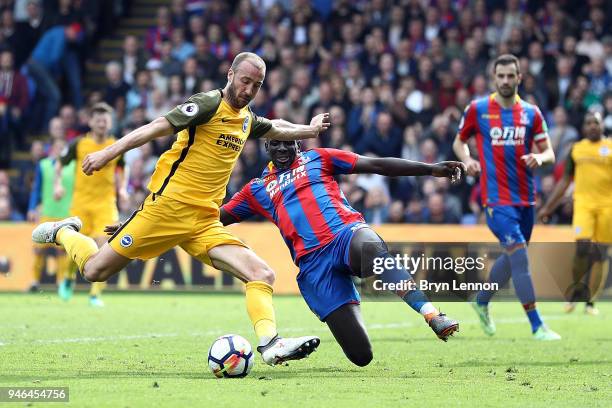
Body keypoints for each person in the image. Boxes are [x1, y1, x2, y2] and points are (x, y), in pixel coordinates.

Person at [32, 52, 326, 365]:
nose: (249, 90)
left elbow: (276, 127)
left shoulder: (246, 120)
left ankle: (271, 344)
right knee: (94, 271)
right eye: (245, 81)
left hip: (204, 220)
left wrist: (308, 131)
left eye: (257, 85)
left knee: (262, 273)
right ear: (230, 74)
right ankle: (63, 231)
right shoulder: (207, 104)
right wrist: (109, 152)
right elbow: (156, 127)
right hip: (167, 209)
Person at [218, 139, 463, 366]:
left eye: (288, 143)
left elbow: (376, 164)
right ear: (266, 147)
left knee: (371, 248)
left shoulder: (319, 158)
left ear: (298, 144)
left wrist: (430, 169)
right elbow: (218, 218)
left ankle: (432, 314)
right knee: (361, 355)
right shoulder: (257, 189)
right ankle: (349, 289)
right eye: (276, 144)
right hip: (314, 266)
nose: (282, 148)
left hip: (345, 235)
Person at [452, 54, 561, 340]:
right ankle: (537, 325)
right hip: (496, 201)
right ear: (493, 77)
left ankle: (481, 300)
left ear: (519, 78)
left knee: (513, 257)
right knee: (520, 257)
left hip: (526, 200)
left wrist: (540, 157)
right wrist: (467, 160)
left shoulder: (531, 113)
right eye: (500, 76)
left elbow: (550, 152)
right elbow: (459, 141)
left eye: (510, 76)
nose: (505, 81)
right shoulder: (478, 109)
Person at [53, 102, 128, 307]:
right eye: (98, 119)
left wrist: (122, 190)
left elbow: (121, 169)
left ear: (110, 122)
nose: (102, 123)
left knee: (104, 246)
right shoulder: (78, 144)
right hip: (81, 203)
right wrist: (57, 184)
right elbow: (59, 163)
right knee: (75, 246)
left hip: (105, 203)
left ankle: (95, 295)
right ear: (90, 122)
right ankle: (68, 278)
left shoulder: (116, 144)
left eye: (105, 119)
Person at [538, 112, 611, 315]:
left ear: (601, 125)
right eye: (588, 123)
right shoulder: (576, 150)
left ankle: (590, 302)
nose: (592, 126)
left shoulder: (610, 147)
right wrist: (548, 208)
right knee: (582, 248)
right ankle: (574, 293)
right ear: (584, 127)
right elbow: (564, 181)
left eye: (595, 122)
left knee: (601, 254)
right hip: (584, 206)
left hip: (608, 208)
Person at [27, 138, 75, 293]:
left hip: (66, 215)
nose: (60, 150)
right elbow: (36, 189)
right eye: (57, 147)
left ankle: (61, 282)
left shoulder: (73, 166)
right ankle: (34, 281)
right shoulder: (44, 165)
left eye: (63, 148)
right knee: (38, 249)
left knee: (62, 251)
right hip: (47, 213)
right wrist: (32, 208)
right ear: (52, 149)